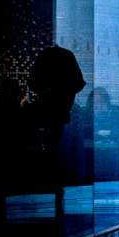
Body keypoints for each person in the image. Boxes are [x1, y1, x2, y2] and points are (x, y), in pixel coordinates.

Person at [27, 44, 86, 211]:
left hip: (50, 110)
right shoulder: (67, 61)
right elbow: (78, 83)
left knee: (50, 145)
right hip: (59, 110)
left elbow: (33, 81)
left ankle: (48, 180)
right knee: (54, 144)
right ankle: (54, 182)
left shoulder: (45, 61)